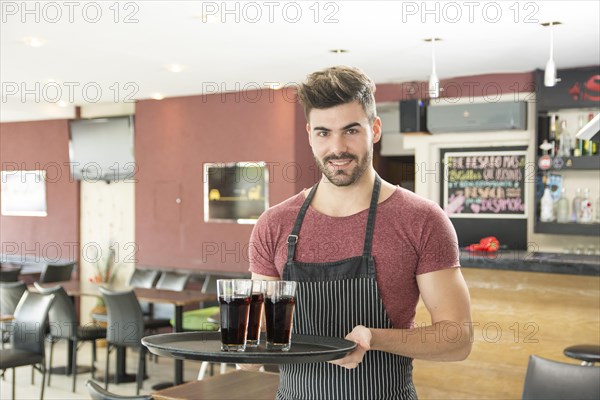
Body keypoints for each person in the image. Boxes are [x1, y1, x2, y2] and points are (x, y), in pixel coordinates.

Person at [248, 66, 472, 399]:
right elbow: (258, 330)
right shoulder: (274, 224)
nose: (337, 148)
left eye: (351, 130)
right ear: (310, 134)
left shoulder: (423, 220)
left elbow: (457, 339)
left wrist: (374, 338)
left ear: (375, 129)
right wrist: (246, 351)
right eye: (323, 133)